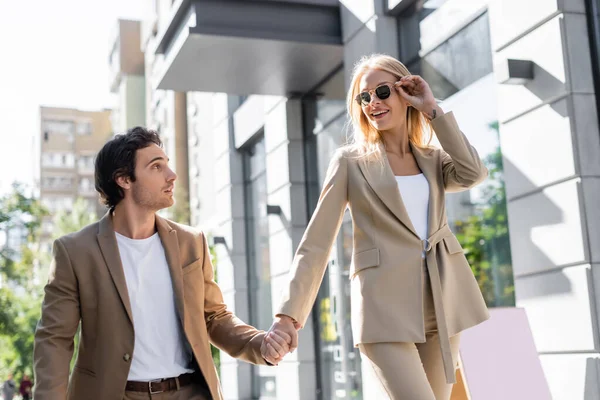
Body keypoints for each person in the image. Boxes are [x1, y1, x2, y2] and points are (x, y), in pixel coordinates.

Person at [262, 54, 490, 400]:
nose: (373, 103)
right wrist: (288, 315)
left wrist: (431, 109)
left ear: (405, 93)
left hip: (442, 301)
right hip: (383, 308)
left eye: (382, 92)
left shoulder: (433, 160)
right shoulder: (351, 162)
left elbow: (474, 173)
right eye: (364, 97)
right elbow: (317, 243)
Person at [33, 127, 290, 400]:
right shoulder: (75, 252)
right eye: (156, 167)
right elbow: (54, 340)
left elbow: (213, 317)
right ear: (123, 179)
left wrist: (259, 343)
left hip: (189, 392)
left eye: (167, 163)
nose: (172, 175)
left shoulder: (191, 242)